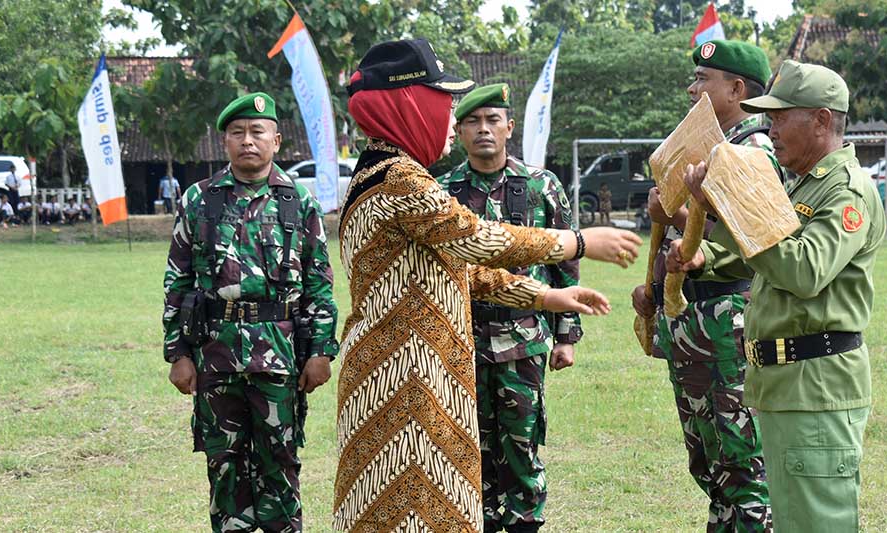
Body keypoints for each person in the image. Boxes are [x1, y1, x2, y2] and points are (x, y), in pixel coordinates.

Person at [332, 38, 641, 533]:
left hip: (404, 373)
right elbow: (478, 239)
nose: (450, 116)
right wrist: (577, 242)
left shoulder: (380, 171)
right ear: (410, 105)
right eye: (443, 101)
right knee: (415, 515)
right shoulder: (401, 180)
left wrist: (545, 296)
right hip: (407, 381)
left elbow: (459, 272)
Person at [670, 59, 884, 531]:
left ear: (821, 120)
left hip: (816, 385)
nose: (772, 129)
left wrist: (727, 210)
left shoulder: (845, 191)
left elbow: (804, 270)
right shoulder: (805, 183)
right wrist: (707, 238)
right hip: (788, 383)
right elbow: (765, 256)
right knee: (791, 519)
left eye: (781, 117)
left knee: (817, 523)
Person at [162, 92, 339, 532]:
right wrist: (178, 354)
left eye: (257, 131)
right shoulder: (199, 200)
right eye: (237, 132)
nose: (247, 140)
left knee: (281, 461)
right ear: (224, 142)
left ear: (276, 140)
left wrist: (321, 352)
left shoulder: (299, 202)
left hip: (280, 356)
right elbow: (178, 281)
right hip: (215, 354)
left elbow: (319, 282)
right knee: (223, 464)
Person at [631, 39, 775, 533]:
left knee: (743, 464)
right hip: (694, 323)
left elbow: (751, 239)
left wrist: (673, 212)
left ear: (736, 90)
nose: (692, 90)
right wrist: (654, 289)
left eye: (703, 80)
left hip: (729, 324)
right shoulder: (709, 147)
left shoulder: (753, 151)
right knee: (710, 463)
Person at [435, 82, 582, 533]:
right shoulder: (443, 191)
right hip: (461, 344)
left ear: (509, 127)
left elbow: (565, 264)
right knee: (467, 449)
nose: (483, 129)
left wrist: (566, 337)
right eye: (473, 122)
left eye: (492, 120)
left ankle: (524, 523)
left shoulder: (542, 185)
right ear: (459, 132)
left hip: (524, 341)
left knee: (521, 445)